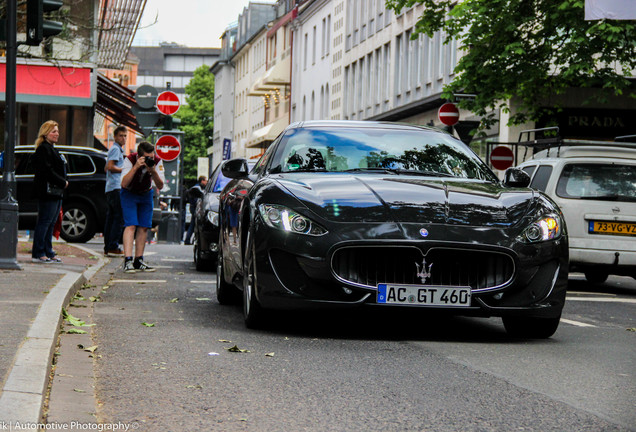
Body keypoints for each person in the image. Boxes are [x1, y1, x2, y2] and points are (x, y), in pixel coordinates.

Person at [120, 141, 165, 273]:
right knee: (131, 225)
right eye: (147, 158)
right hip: (129, 193)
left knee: (144, 226)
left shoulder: (157, 161)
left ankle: (138, 260)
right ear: (140, 156)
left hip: (146, 193)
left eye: (152, 156)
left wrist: (153, 171)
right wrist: (135, 167)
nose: (150, 159)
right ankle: (128, 260)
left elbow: (161, 185)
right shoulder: (129, 160)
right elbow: (123, 183)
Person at [31, 120, 68, 263]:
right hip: (48, 191)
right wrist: (62, 181)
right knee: (45, 221)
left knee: (51, 222)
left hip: (56, 191)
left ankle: (48, 250)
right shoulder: (43, 149)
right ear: (45, 133)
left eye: (57, 131)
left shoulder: (53, 148)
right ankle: (39, 252)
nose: (57, 134)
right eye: (53, 131)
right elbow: (47, 170)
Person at [103, 125, 127, 257]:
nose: (123, 138)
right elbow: (110, 167)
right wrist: (124, 170)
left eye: (125, 136)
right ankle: (113, 246)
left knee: (111, 217)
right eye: (121, 136)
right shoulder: (116, 149)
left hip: (112, 187)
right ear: (115, 136)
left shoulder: (116, 149)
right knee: (119, 217)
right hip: (116, 187)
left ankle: (109, 246)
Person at [184, 175, 208, 245]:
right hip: (195, 208)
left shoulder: (197, 187)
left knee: (193, 224)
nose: (206, 182)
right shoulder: (197, 188)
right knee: (193, 224)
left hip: (193, 207)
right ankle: (188, 239)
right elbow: (196, 200)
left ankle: (188, 239)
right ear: (202, 181)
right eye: (205, 180)